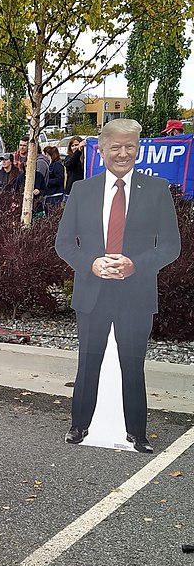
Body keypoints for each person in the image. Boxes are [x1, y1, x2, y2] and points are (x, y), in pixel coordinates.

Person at [55, 118, 180, 453]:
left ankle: (137, 433)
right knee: (88, 362)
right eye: (116, 146)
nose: (123, 153)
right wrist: (90, 264)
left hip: (136, 294)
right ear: (103, 149)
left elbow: (170, 246)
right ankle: (79, 425)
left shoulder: (156, 190)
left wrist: (135, 264)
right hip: (92, 294)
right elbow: (64, 243)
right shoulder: (83, 190)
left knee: (132, 363)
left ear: (138, 149)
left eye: (131, 146)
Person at [44, 146, 65, 211]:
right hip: (50, 194)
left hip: (56, 195)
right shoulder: (50, 166)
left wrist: (47, 182)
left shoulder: (57, 166)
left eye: (47, 155)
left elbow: (59, 179)